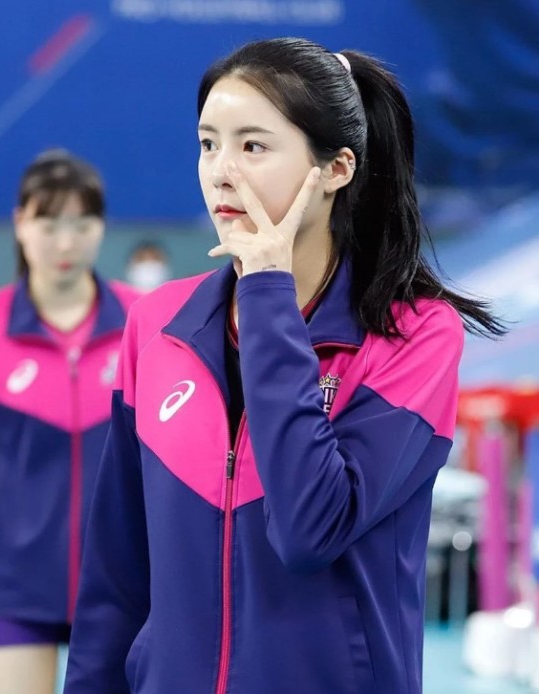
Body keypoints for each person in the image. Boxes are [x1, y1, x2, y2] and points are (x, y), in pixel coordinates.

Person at [64, 38, 504, 694]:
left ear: (336, 168)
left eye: (253, 146)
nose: (221, 172)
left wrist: (267, 292)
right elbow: (116, 573)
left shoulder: (415, 336)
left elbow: (309, 529)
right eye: (208, 144)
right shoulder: (157, 325)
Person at [0, 149, 139, 694]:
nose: (66, 243)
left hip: (124, 588)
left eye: (82, 224)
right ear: (20, 223)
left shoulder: (145, 322)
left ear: (102, 226)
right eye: (49, 223)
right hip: (10, 590)